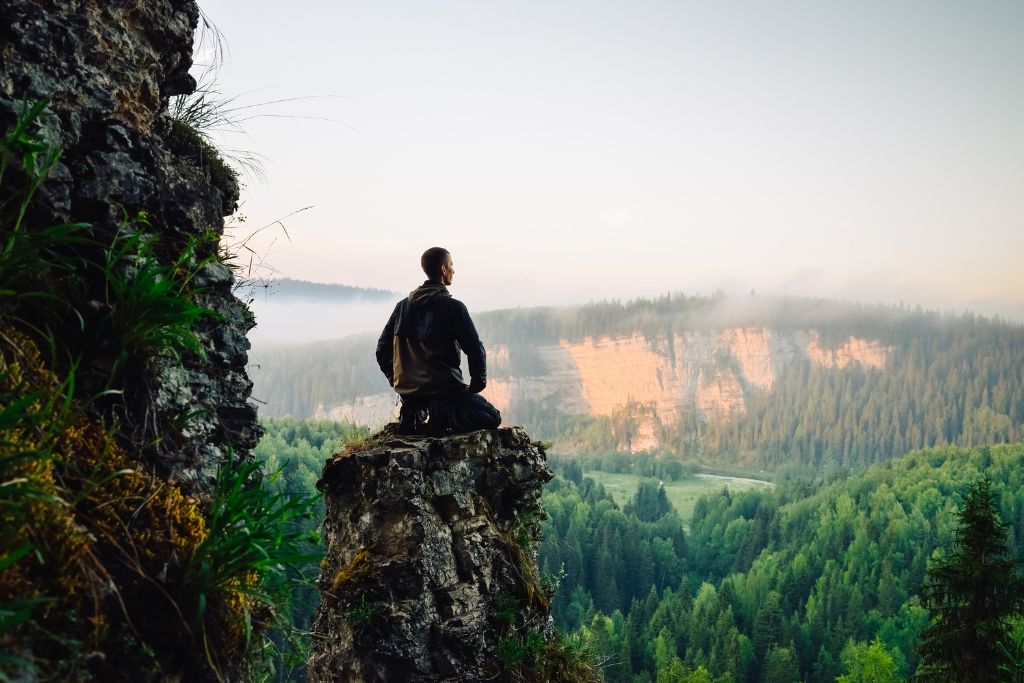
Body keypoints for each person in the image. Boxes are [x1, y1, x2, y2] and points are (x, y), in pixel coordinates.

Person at [375, 247, 501, 435]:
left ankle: (415, 410)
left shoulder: (402, 307)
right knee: (492, 417)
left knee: (424, 402)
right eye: (451, 265)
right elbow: (475, 349)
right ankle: (442, 415)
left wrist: (397, 382)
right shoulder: (453, 308)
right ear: (443, 269)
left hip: (411, 393)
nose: (453, 270)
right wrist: (477, 383)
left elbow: (382, 349)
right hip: (444, 390)